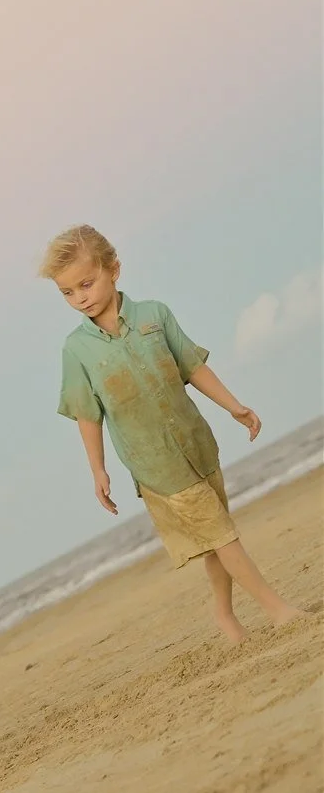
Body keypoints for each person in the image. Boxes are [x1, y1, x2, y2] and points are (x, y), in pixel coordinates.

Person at [41, 225, 305, 643]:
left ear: (114, 270)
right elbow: (87, 415)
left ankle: (224, 615)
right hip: (156, 465)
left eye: (86, 284)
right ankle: (278, 611)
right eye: (68, 293)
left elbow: (192, 367)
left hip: (197, 445)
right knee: (223, 536)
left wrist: (235, 407)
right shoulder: (77, 351)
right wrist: (99, 471)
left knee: (218, 535)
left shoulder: (155, 315)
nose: (80, 299)